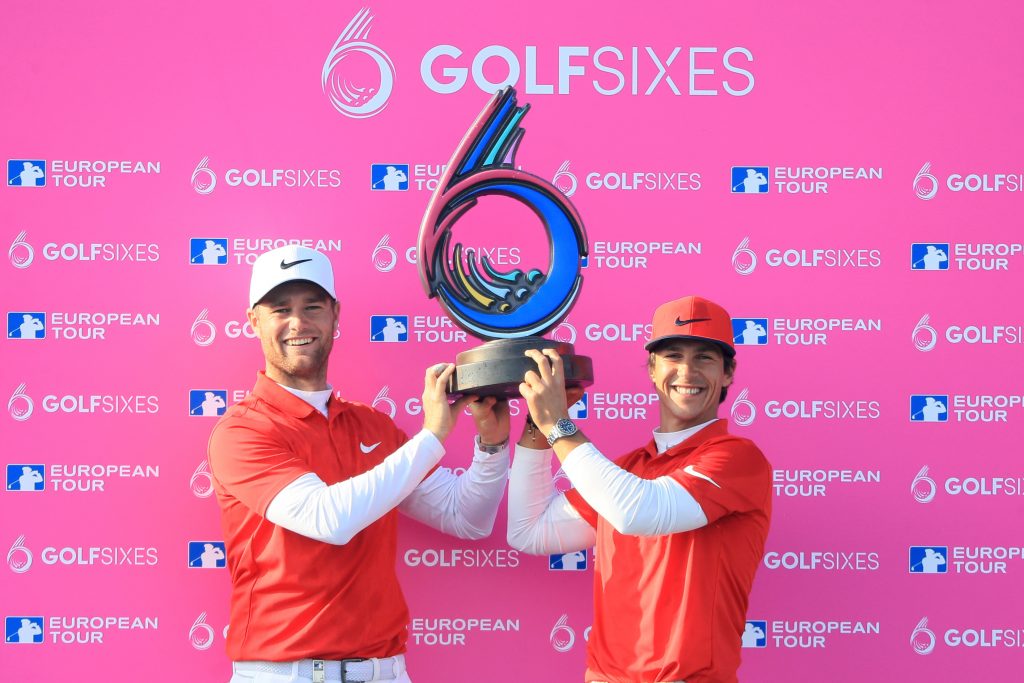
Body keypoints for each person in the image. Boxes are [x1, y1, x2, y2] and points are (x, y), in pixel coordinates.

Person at [208, 245, 510, 683]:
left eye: (312, 306)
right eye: (280, 309)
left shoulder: (373, 426)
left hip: (384, 671)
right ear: (254, 321)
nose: (298, 323)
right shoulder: (242, 431)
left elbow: (468, 518)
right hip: (281, 674)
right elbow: (328, 519)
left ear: (335, 314)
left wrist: (492, 444)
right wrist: (433, 436)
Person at [508, 295, 772, 683]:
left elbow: (638, 513)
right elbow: (529, 530)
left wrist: (558, 425)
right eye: (673, 355)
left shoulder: (737, 459)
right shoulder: (625, 471)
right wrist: (536, 426)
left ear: (728, 373)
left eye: (705, 358)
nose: (687, 371)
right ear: (651, 369)